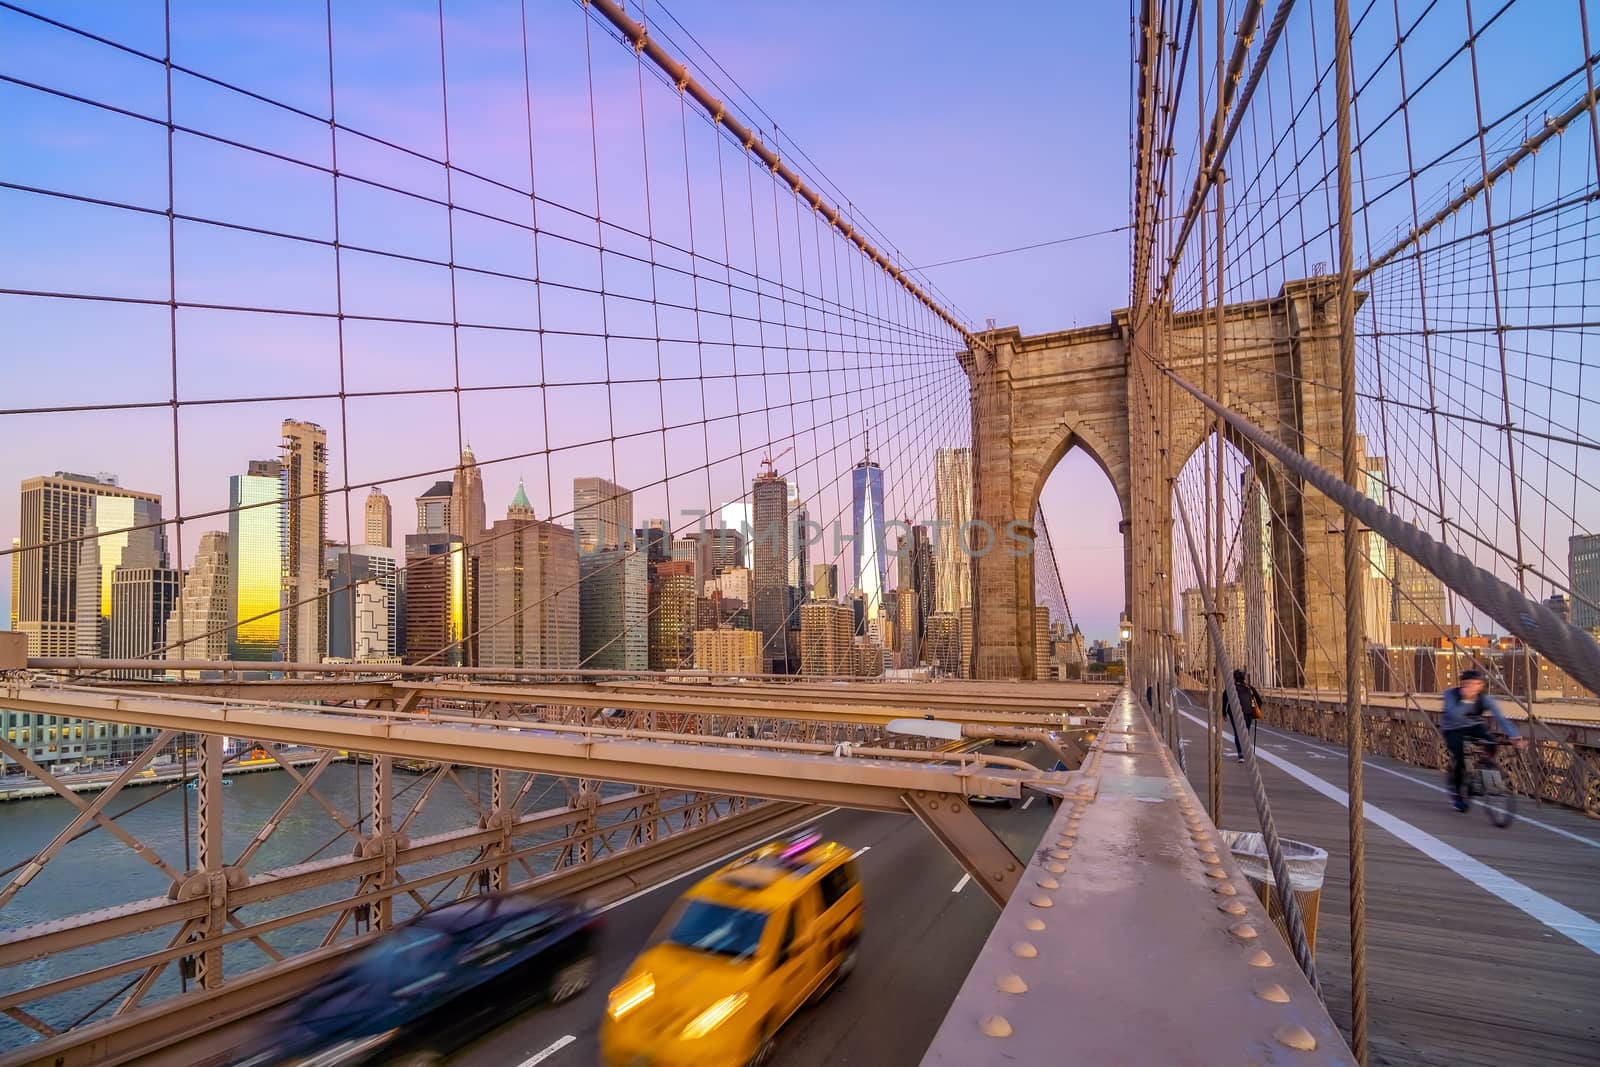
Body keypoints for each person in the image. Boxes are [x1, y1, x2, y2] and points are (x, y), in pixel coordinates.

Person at [1441, 669, 1526, 811]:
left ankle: (1484, 765)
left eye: (1476, 684)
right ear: (1461, 684)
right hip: (1452, 728)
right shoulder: (1450, 694)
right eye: (1467, 684)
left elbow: (1500, 718)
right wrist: (1466, 700)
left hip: (1475, 725)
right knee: (1460, 757)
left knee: (1491, 742)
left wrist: (1515, 737)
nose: (1471, 687)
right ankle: (1457, 793)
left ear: (1481, 685)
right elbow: (1454, 714)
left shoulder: (1486, 699)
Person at [1222, 668, 1263, 762]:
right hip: (1248, 713)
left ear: (1234, 678)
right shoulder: (1250, 688)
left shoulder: (1230, 688)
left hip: (1235, 713)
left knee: (1237, 732)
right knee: (1246, 733)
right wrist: (1255, 711)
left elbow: (1224, 700)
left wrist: (1224, 713)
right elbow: (1259, 701)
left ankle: (1241, 755)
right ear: (1244, 677)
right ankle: (1246, 753)